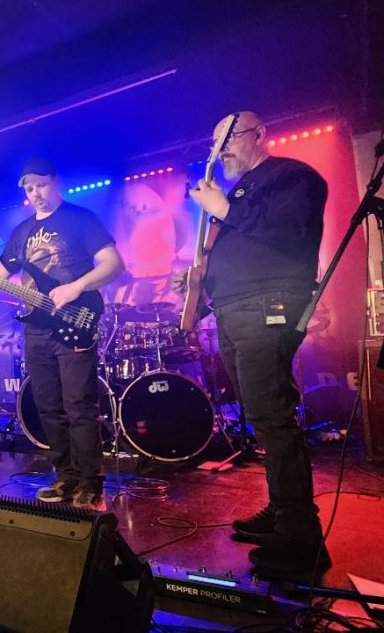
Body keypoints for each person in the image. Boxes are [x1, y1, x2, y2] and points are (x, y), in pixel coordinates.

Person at [176, 111, 329, 576]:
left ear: (260, 135)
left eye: (229, 139)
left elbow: (288, 233)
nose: (221, 151)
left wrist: (223, 209)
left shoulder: (291, 176)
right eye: (215, 144)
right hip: (235, 308)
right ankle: (282, 511)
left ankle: (301, 538)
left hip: (268, 305)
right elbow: (243, 250)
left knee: (272, 416)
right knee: (261, 414)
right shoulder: (240, 191)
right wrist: (199, 286)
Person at [0, 158, 125, 511]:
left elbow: (114, 263)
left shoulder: (80, 218)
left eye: (40, 184)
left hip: (75, 320)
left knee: (79, 405)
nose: (35, 193)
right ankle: (66, 476)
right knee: (48, 406)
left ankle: (90, 482)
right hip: (37, 328)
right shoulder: (22, 232)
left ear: (55, 182)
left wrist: (76, 286)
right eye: (28, 188)